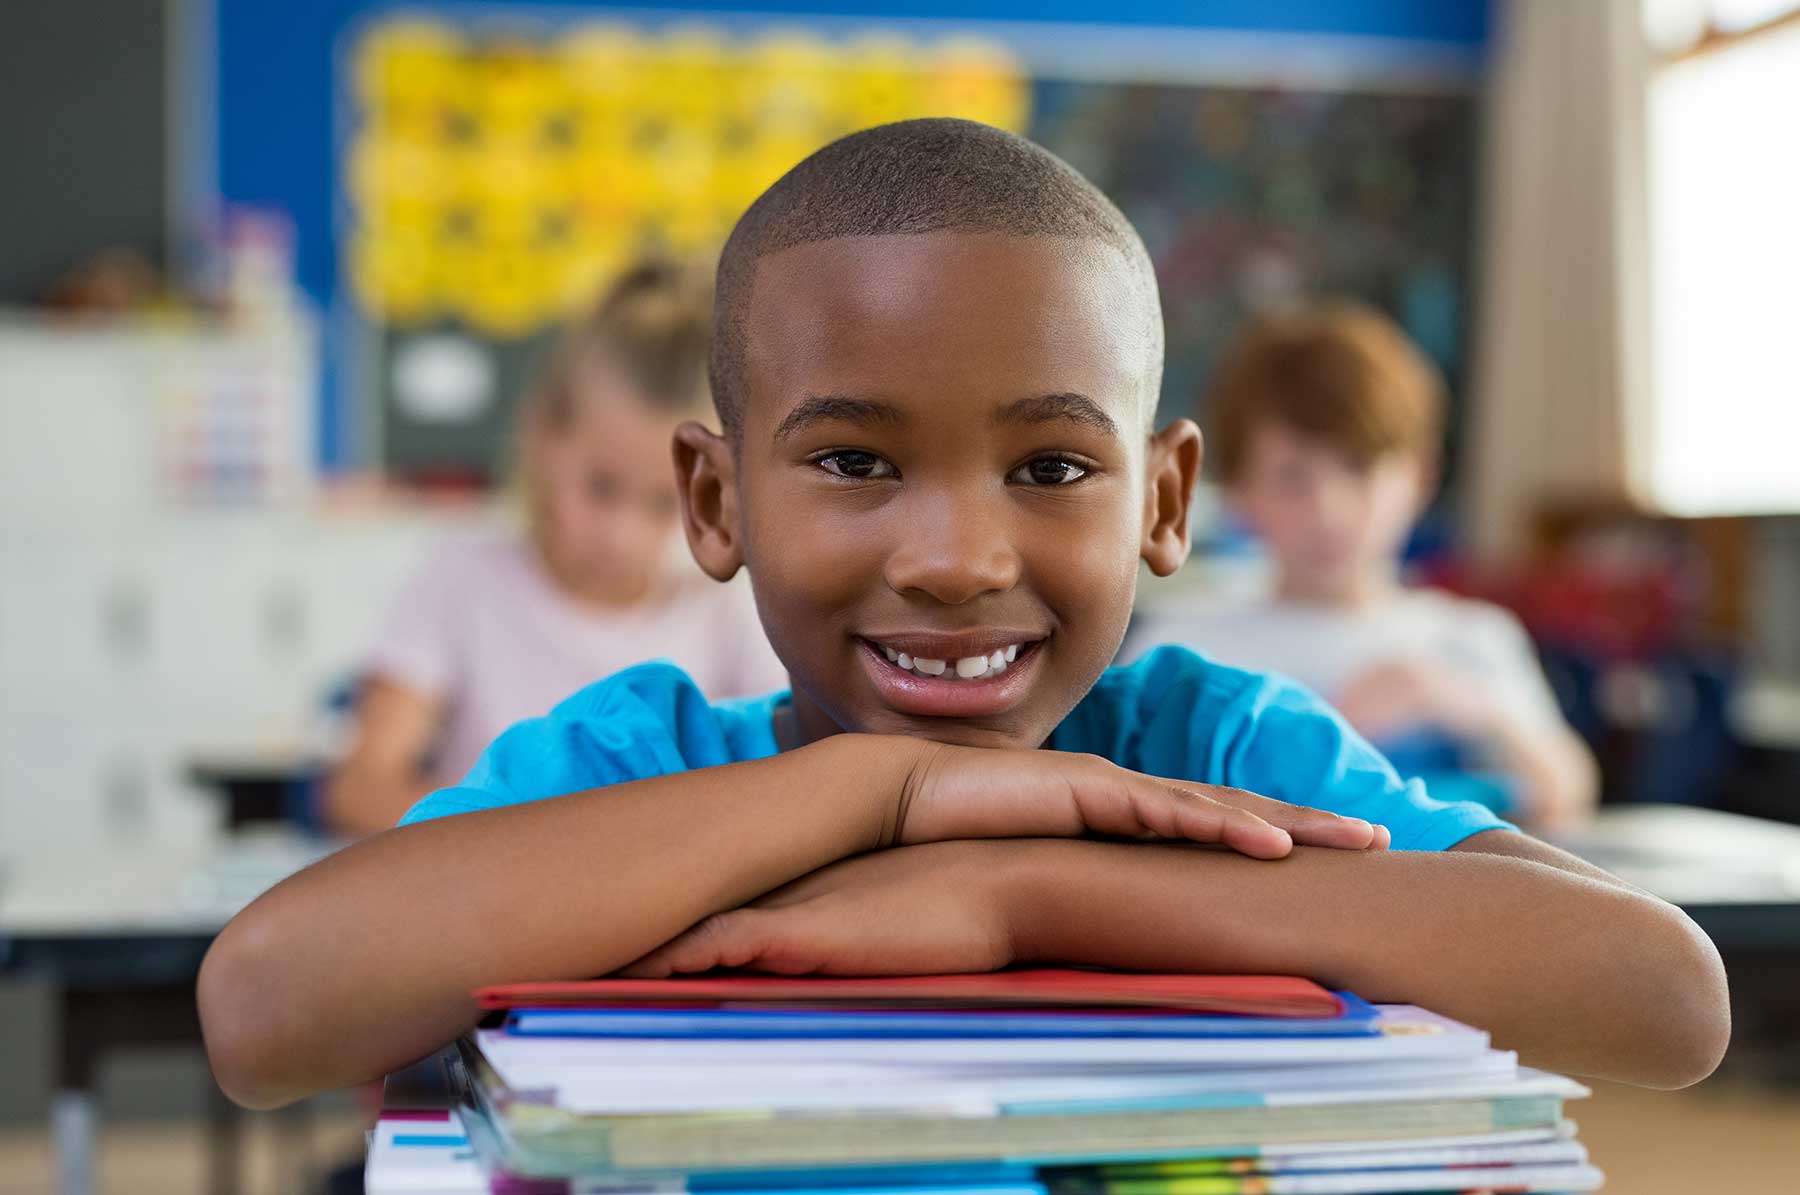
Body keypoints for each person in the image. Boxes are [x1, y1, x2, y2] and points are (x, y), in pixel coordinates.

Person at [199, 120, 1726, 1111]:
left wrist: (1029, 891)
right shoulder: (640, 770)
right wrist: (882, 788)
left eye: (1054, 464)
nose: (953, 554)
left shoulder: (1211, 746)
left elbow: (1662, 995)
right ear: (717, 503)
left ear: (1163, 502)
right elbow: (268, 1008)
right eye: (855, 461)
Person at [324, 262, 785, 834]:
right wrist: (543, 844)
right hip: (489, 900)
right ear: (543, 436)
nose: (623, 535)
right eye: (601, 487)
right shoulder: (459, 581)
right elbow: (360, 788)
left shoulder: (724, 614)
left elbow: (783, 795)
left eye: (662, 504)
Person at [1128, 303, 1597, 829]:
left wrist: (1464, 706)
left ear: (1419, 476)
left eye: (1359, 468)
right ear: (1239, 490)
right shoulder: (1184, 647)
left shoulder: (1468, 639)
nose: (1329, 510)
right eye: (1292, 477)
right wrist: (1330, 731)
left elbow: (1566, 794)